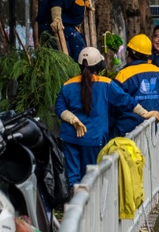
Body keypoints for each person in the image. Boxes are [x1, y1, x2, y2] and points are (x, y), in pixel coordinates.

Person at [55, 47, 129, 186]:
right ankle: (91, 207)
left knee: (73, 177)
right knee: (92, 176)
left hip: (70, 137)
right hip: (93, 139)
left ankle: (75, 204)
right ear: (100, 65)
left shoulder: (67, 84)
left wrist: (73, 119)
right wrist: (145, 112)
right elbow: (126, 101)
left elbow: (59, 108)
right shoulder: (106, 84)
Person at [110, 33, 159, 138]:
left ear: (129, 53)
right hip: (150, 129)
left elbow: (115, 104)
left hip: (126, 131)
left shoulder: (123, 75)